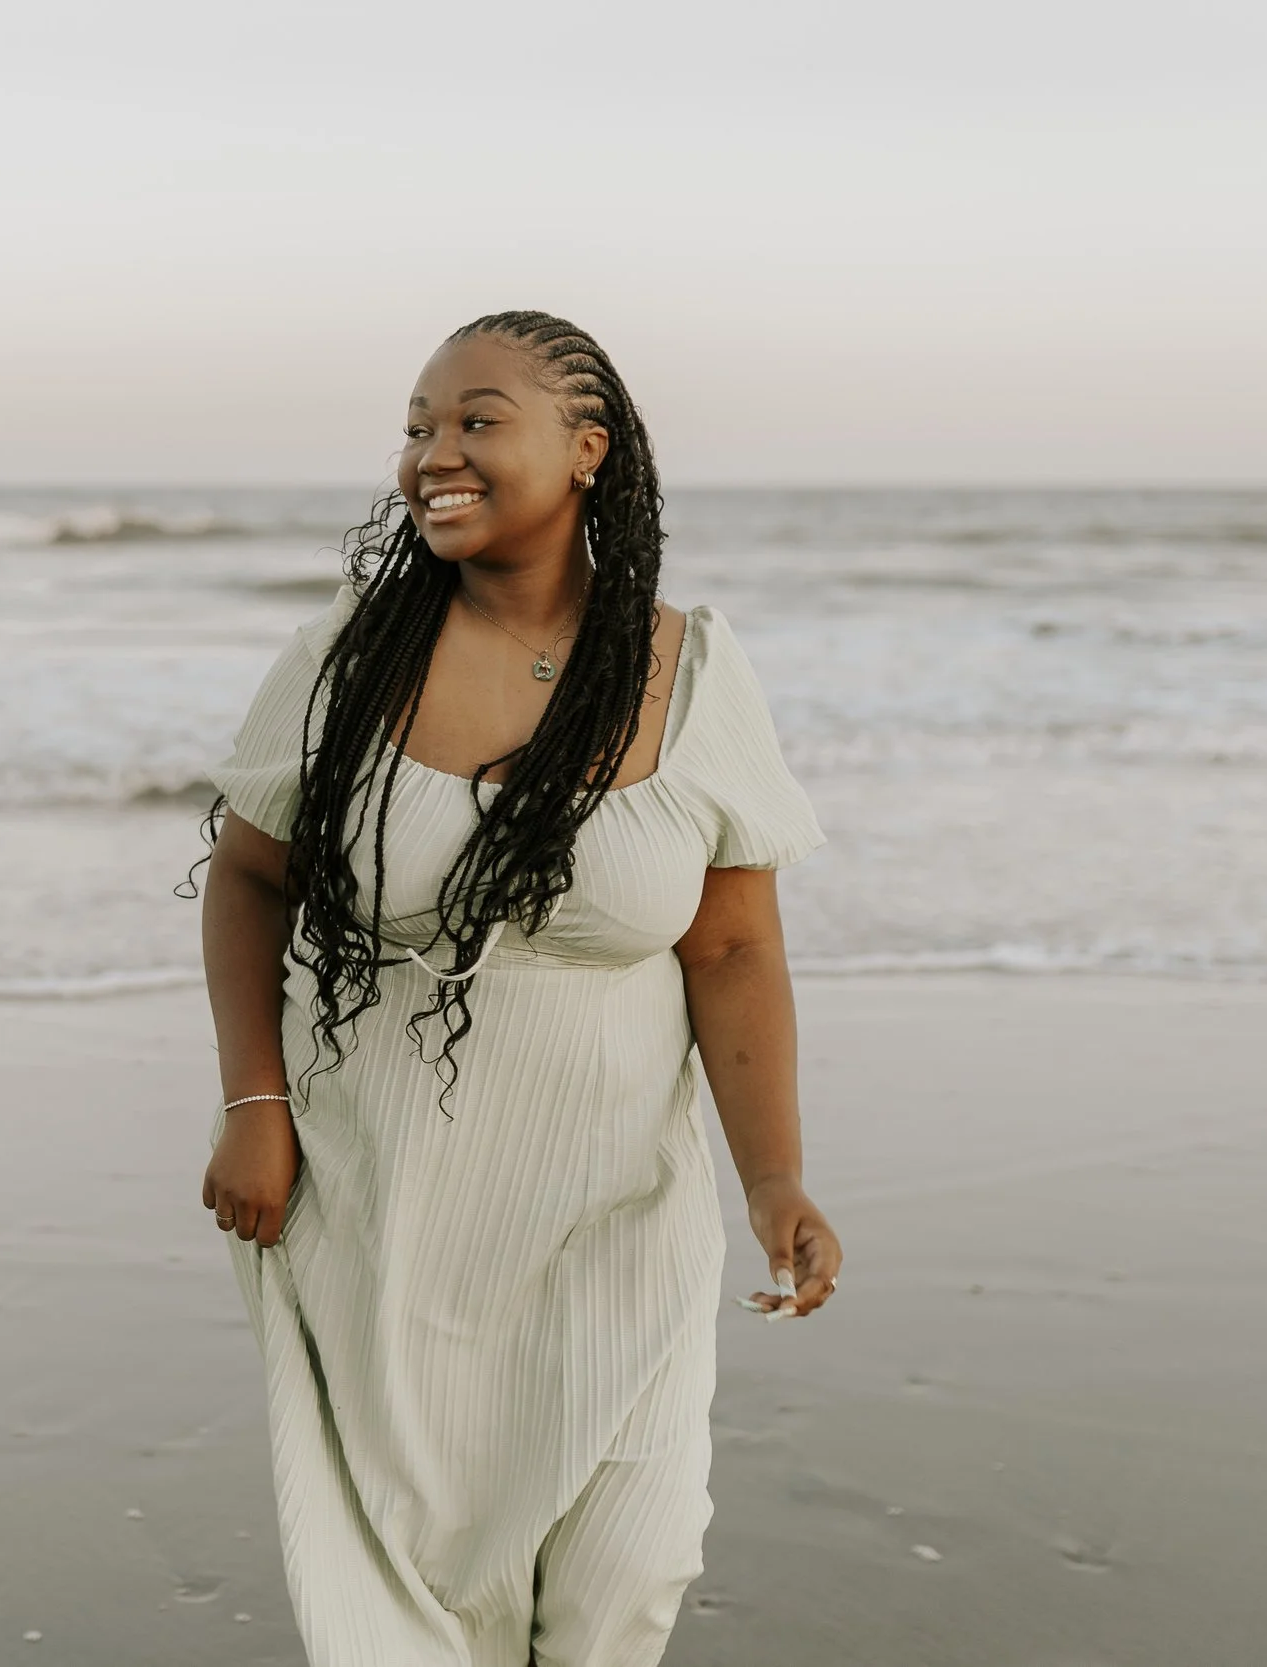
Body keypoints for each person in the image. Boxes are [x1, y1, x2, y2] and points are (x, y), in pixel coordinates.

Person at [194, 310, 844, 1666]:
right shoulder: (346, 661)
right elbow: (248, 878)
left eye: (478, 420)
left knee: (632, 1569)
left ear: (588, 450)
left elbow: (729, 948)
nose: (437, 452)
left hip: (621, 1217)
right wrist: (252, 1095)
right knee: (420, 1592)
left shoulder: (692, 673)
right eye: (420, 425)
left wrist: (774, 1179)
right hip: (389, 1208)